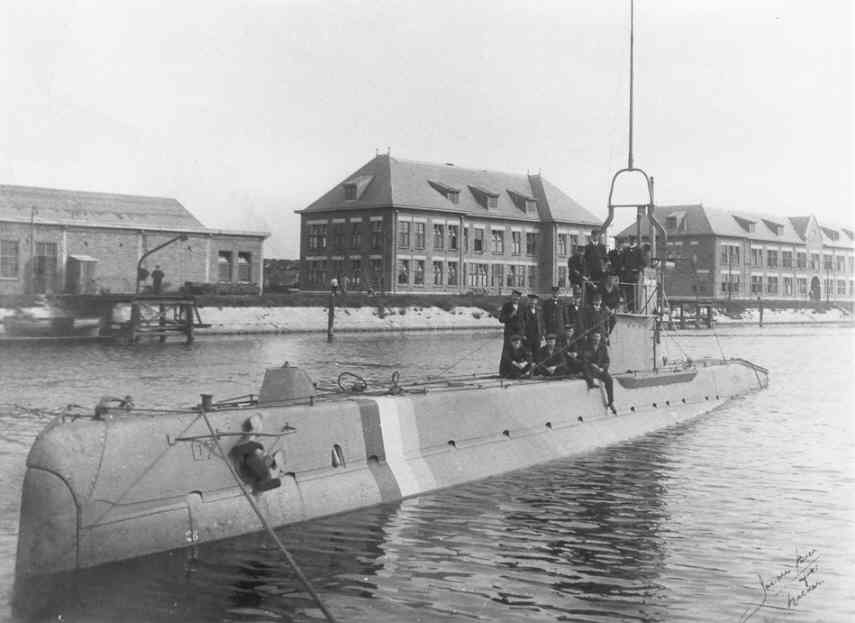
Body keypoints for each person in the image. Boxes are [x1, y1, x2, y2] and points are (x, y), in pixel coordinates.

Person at [582, 330, 616, 413]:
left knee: (609, 380)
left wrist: (603, 368)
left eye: (598, 337)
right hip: (591, 369)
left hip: (600, 370)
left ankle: (611, 402)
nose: (596, 339)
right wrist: (592, 365)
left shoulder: (603, 347)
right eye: (595, 337)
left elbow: (607, 361)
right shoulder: (587, 347)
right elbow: (585, 360)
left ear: (600, 338)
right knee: (585, 369)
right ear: (592, 337)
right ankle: (591, 382)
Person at [583, 229, 607, 297]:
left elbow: (605, 259)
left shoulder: (602, 247)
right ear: (591, 236)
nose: (595, 237)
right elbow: (585, 261)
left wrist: (604, 268)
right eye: (594, 235)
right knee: (590, 289)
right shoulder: (587, 247)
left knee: (600, 289)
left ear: (598, 236)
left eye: (596, 235)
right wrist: (586, 273)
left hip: (600, 272)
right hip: (590, 272)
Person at [521, 293, 544, 359]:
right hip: (527, 336)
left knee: (537, 354)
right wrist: (523, 334)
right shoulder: (524, 310)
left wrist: (542, 334)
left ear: (536, 301)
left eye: (534, 301)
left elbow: (542, 323)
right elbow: (522, 323)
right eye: (531, 301)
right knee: (528, 354)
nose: (532, 303)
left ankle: (536, 368)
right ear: (528, 301)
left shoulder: (539, 310)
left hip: (537, 336)